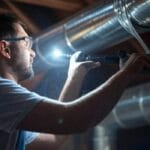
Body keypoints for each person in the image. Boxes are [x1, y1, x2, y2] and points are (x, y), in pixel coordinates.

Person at [0, 13, 150, 150]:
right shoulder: (3, 93)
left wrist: (75, 76)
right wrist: (126, 73)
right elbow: (76, 119)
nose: (32, 53)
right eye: (26, 43)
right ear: (5, 49)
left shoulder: (9, 105)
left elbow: (55, 138)